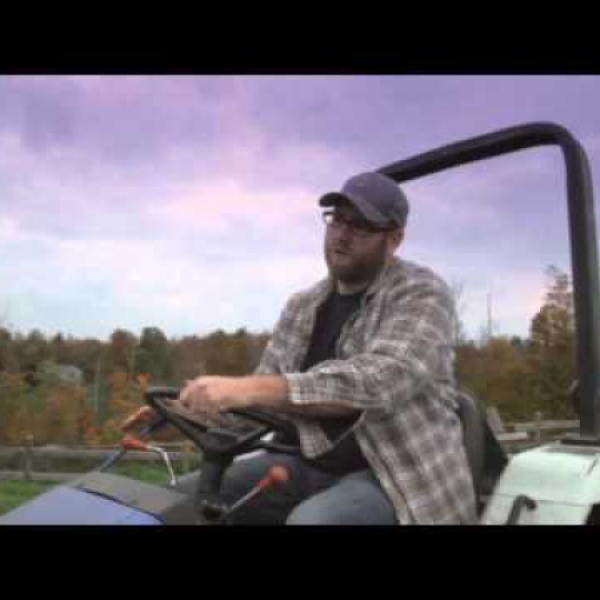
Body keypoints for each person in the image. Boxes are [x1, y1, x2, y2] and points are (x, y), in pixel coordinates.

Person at [122, 171, 477, 525]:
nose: (342, 234)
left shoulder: (421, 293)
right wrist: (182, 414)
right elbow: (258, 406)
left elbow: (377, 381)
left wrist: (247, 389)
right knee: (172, 503)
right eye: (337, 219)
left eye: (361, 226)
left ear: (394, 239)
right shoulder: (302, 306)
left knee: (313, 522)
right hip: (305, 463)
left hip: (394, 475)